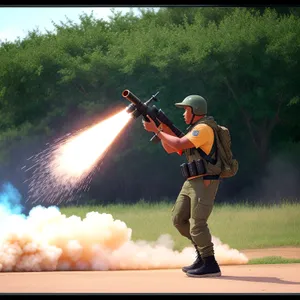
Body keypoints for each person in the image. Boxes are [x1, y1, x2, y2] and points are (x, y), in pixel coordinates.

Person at [142, 95, 222, 278]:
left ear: (195, 111)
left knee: (197, 224)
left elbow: (178, 143)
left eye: (186, 110)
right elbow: (172, 148)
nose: (184, 114)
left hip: (205, 181)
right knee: (178, 219)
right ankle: (202, 256)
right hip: (192, 180)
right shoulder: (194, 129)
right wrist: (160, 128)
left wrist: (157, 129)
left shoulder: (203, 128)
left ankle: (210, 263)